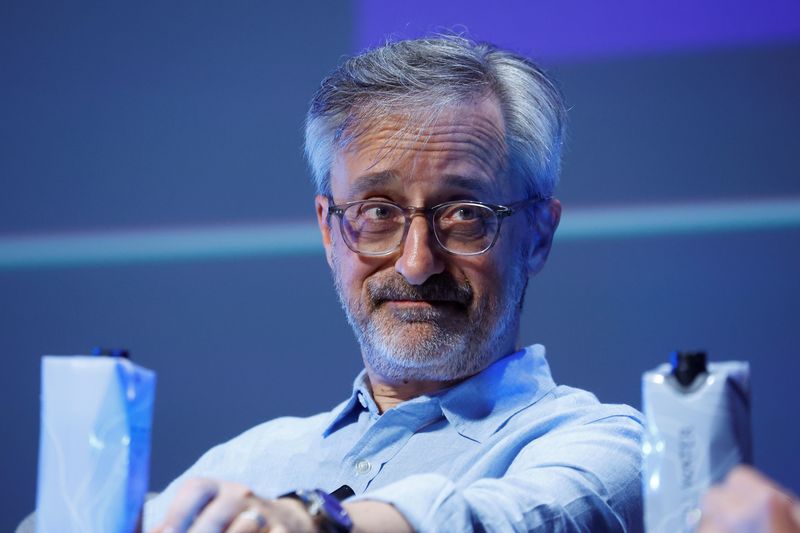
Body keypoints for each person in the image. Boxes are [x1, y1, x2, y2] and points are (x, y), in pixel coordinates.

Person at [145, 36, 644, 533]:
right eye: (377, 212)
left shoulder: (607, 450)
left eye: (464, 214)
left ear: (537, 235)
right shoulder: (243, 465)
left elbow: (500, 522)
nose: (416, 262)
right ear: (328, 230)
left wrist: (315, 523)